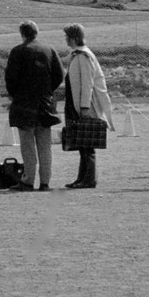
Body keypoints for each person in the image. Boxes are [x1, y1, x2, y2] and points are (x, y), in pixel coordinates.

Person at [4, 20, 64, 191]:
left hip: (24, 104)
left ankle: (28, 180)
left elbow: (11, 78)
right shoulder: (49, 49)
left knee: (28, 145)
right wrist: (47, 90)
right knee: (45, 145)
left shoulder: (18, 51)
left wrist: (16, 94)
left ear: (22, 34)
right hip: (45, 104)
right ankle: (45, 182)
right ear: (36, 32)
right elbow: (59, 75)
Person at [62, 23, 114, 189]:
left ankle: (89, 179)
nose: (66, 41)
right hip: (75, 102)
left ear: (75, 38)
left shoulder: (84, 56)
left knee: (87, 144)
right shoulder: (77, 55)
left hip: (85, 105)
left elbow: (87, 83)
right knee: (81, 143)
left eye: (68, 38)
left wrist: (84, 106)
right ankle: (82, 177)